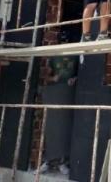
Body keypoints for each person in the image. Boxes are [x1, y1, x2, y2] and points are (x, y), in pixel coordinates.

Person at [37, 29, 76, 176]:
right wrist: (52, 79)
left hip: (69, 95)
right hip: (55, 95)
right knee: (51, 128)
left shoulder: (76, 55)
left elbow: (82, 73)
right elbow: (45, 77)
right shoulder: (53, 56)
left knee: (66, 129)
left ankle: (62, 162)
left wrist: (75, 79)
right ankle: (48, 161)